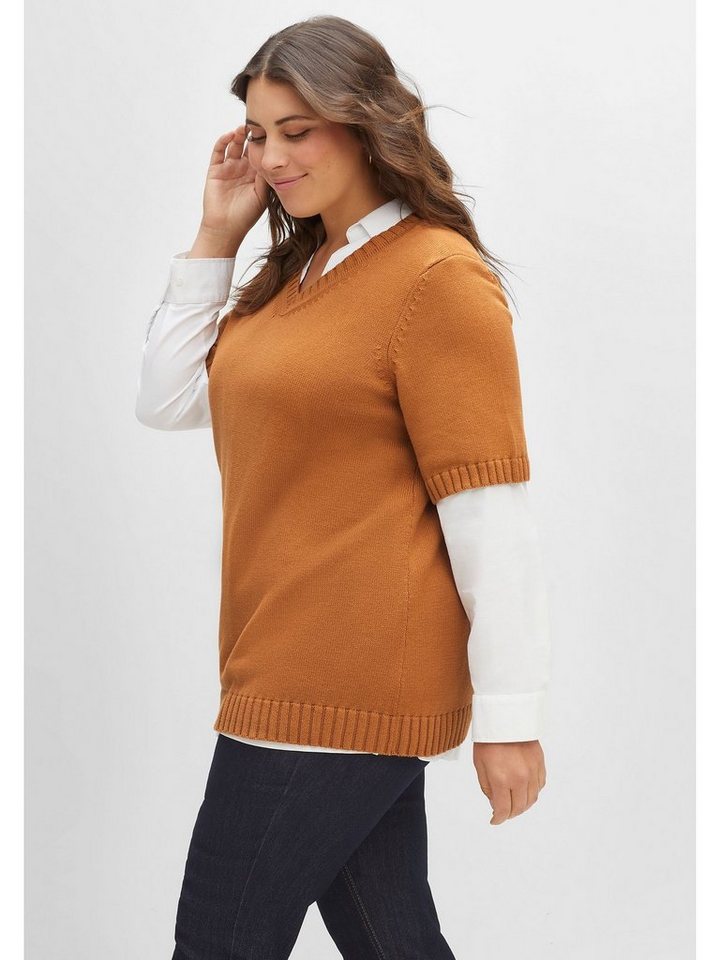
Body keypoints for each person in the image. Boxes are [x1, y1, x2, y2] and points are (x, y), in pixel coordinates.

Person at [136, 14, 551, 960]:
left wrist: (511, 719)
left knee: (217, 943)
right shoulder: (294, 277)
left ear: (366, 124)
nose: (274, 157)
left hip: (342, 674)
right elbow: (166, 400)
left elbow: (489, 513)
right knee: (392, 941)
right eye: (259, 133)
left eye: (299, 130)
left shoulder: (435, 277)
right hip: (280, 663)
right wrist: (216, 233)